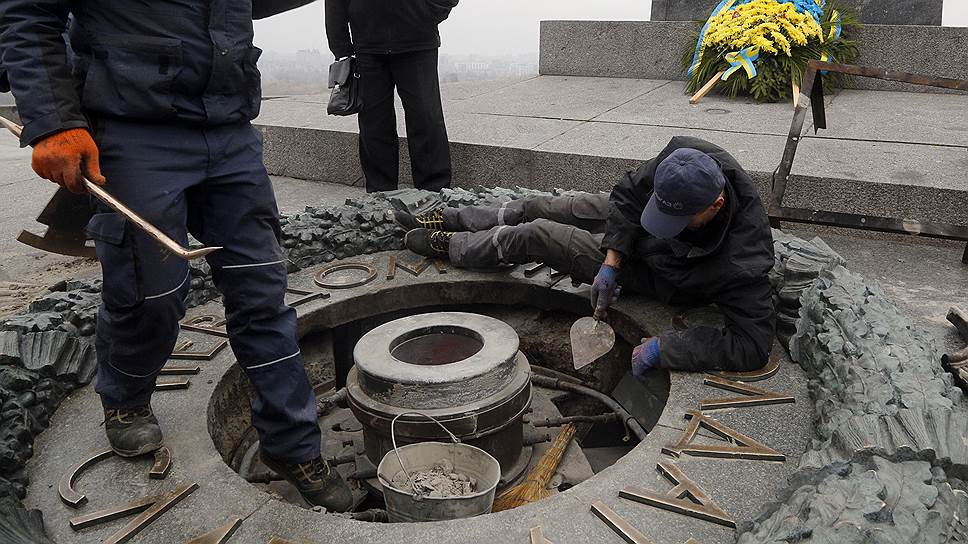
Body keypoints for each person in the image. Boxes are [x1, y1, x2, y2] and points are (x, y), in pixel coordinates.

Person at [0, 0, 352, 511]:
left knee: (263, 294)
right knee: (151, 295)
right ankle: (125, 398)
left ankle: (292, 445)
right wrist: (54, 122)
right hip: (134, 131)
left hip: (229, 131)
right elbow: (29, 13)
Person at [399, 136, 776, 373]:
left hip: (656, 272)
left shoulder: (744, 261)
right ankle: (454, 218)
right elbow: (629, 195)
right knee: (543, 206)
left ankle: (452, 245)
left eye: (676, 219)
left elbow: (752, 345)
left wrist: (668, 348)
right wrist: (611, 261)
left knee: (537, 235)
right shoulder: (687, 158)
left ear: (715, 205)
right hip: (628, 235)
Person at [325, 0, 458, 193]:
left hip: (418, 43)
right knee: (374, 124)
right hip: (367, 47)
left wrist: (428, 14)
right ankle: (380, 194)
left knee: (426, 118)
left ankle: (434, 191)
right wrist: (341, 47)